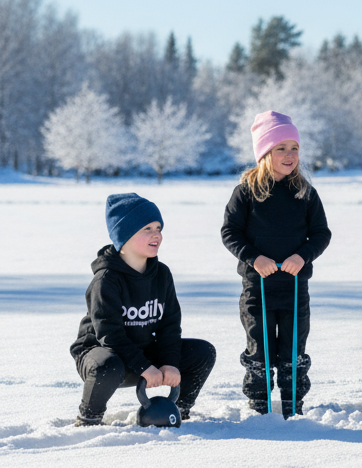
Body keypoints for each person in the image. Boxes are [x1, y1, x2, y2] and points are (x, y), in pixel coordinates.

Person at [70, 193, 216, 426]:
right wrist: (144, 367)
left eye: (158, 227)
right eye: (146, 228)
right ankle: (88, 417)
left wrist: (169, 362)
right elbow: (110, 335)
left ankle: (176, 409)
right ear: (124, 235)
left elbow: (169, 326)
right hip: (104, 353)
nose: (156, 234)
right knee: (108, 365)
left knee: (202, 352)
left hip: (143, 351)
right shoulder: (106, 280)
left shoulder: (162, 274)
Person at [221, 111, 331, 417]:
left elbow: (321, 233)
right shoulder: (246, 192)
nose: (289, 155)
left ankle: (292, 407)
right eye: (280, 148)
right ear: (264, 153)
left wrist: (302, 256)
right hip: (257, 288)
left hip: (295, 288)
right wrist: (254, 258)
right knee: (260, 348)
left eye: (294, 148)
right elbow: (230, 232)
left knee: (293, 351)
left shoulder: (305, 193)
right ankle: (260, 409)